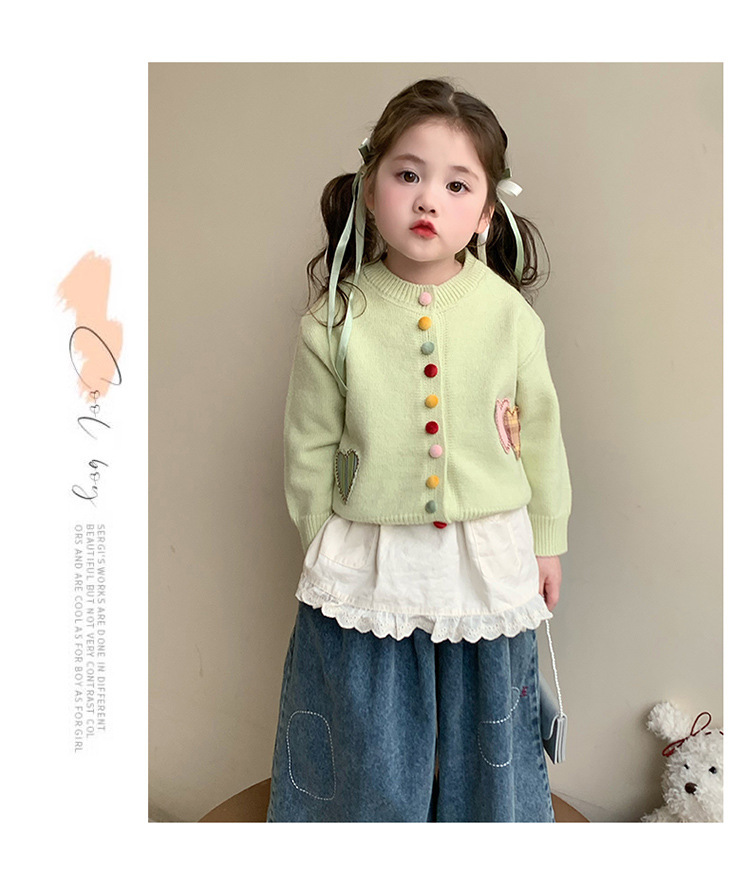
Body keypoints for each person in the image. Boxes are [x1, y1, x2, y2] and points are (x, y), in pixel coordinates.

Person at [266, 78, 572, 822]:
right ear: (371, 190)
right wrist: (320, 537)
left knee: (489, 727)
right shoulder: (336, 319)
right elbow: (308, 443)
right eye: (408, 175)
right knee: (371, 732)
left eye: (456, 184)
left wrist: (547, 542)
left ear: (487, 212)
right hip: (371, 557)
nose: (429, 199)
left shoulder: (509, 316)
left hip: (488, 554)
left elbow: (541, 433)